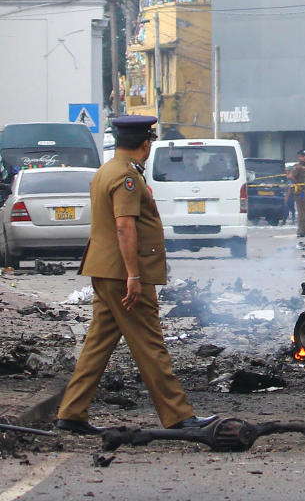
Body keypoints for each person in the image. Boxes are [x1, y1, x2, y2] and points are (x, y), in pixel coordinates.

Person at [56, 115, 217, 435]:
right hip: (123, 276)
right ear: (145, 144)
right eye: (150, 142)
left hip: (104, 270)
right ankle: (178, 416)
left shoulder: (107, 171)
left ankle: (71, 412)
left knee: (98, 344)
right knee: (150, 343)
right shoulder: (126, 178)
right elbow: (124, 226)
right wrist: (134, 275)